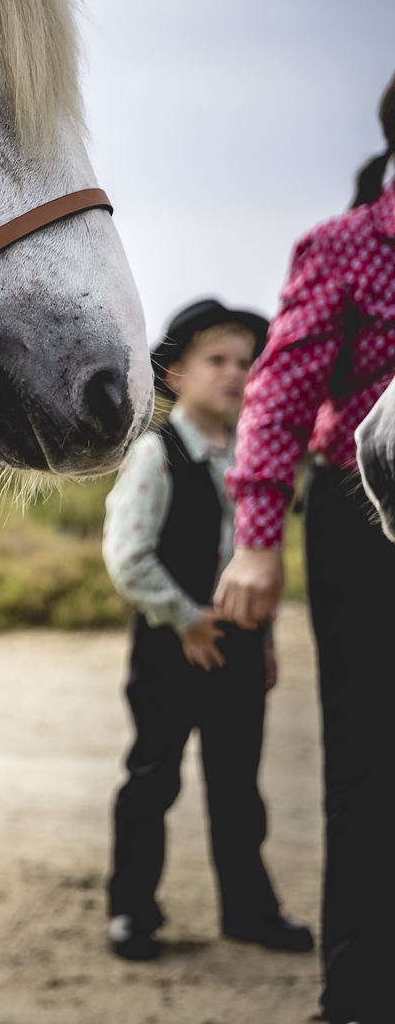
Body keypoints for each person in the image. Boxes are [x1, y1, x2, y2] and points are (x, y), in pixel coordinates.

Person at [222, 72, 395, 1024]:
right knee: (372, 762)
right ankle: (361, 996)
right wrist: (257, 541)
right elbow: (281, 393)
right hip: (366, 518)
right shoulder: (348, 247)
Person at [101, 299, 312, 962]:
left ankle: (249, 909)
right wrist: (188, 619)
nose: (234, 374)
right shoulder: (155, 455)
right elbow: (128, 557)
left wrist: (266, 638)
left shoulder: (255, 460)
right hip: (172, 643)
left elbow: (256, 559)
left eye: (246, 362)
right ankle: (133, 911)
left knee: (238, 786)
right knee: (153, 776)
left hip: (241, 646)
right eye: (216, 360)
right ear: (175, 375)